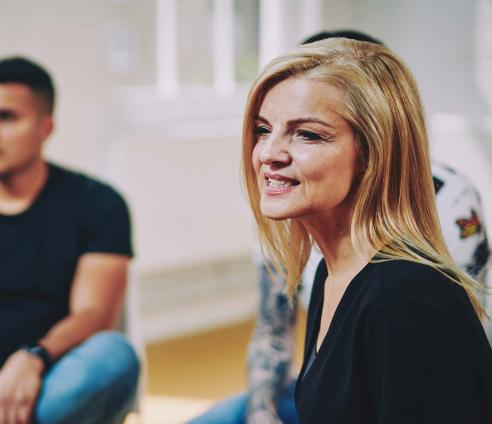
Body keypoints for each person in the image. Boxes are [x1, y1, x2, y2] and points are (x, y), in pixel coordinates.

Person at [190, 31, 490, 424]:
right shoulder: (332, 275)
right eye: (264, 130)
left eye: (308, 134)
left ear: (371, 154)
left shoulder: (403, 299)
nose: (268, 154)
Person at [0, 57, 140, 424]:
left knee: (113, 355)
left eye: (6, 117)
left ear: (45, 127)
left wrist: (33, 357)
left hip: (48, 383)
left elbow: (95, 314)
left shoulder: (96, 203)